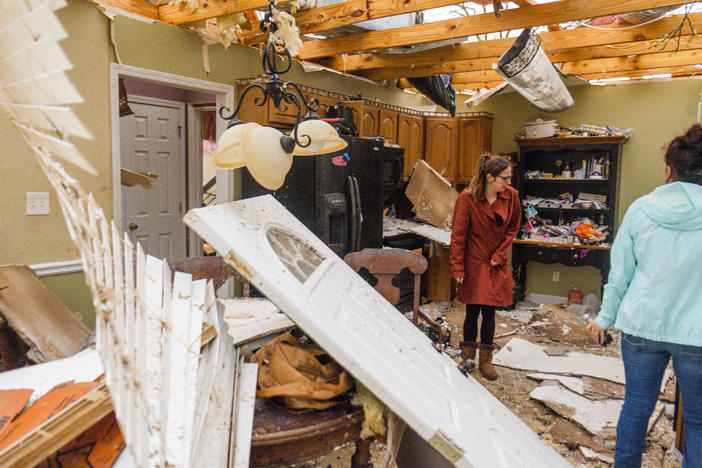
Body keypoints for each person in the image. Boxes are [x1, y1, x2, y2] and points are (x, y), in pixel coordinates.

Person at [586, 124, 702, 468]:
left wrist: (605, 317)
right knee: (697, 422)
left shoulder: (641, 208)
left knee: (636, 405)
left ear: (669, 170)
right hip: (695, 335)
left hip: (641, 327)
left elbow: (620, 273)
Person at [449, 154, 521, 380]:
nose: (508, 182)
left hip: (495, 262)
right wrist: (457, 268)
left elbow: (513, 229)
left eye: (510, 178)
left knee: (490, 311)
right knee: (471, 311)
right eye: (505, 178)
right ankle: (467, 356)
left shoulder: (512, 197)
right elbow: (458, 236)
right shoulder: (467, 198)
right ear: (490, 178)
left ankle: (486, 361)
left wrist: (500, 255)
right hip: (473, 261)